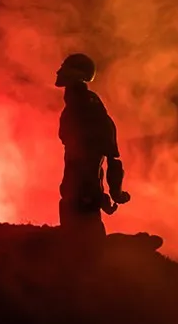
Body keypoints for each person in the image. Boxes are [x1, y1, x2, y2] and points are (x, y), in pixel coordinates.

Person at [55, 53, 130, 242]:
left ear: (78, 74)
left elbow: (107, 157)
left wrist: (110, 193)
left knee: (85, 241)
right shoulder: (79, 106)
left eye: (66, 67)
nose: (59, 72)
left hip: (83, 194)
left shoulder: (87, 108)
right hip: (79, 191)